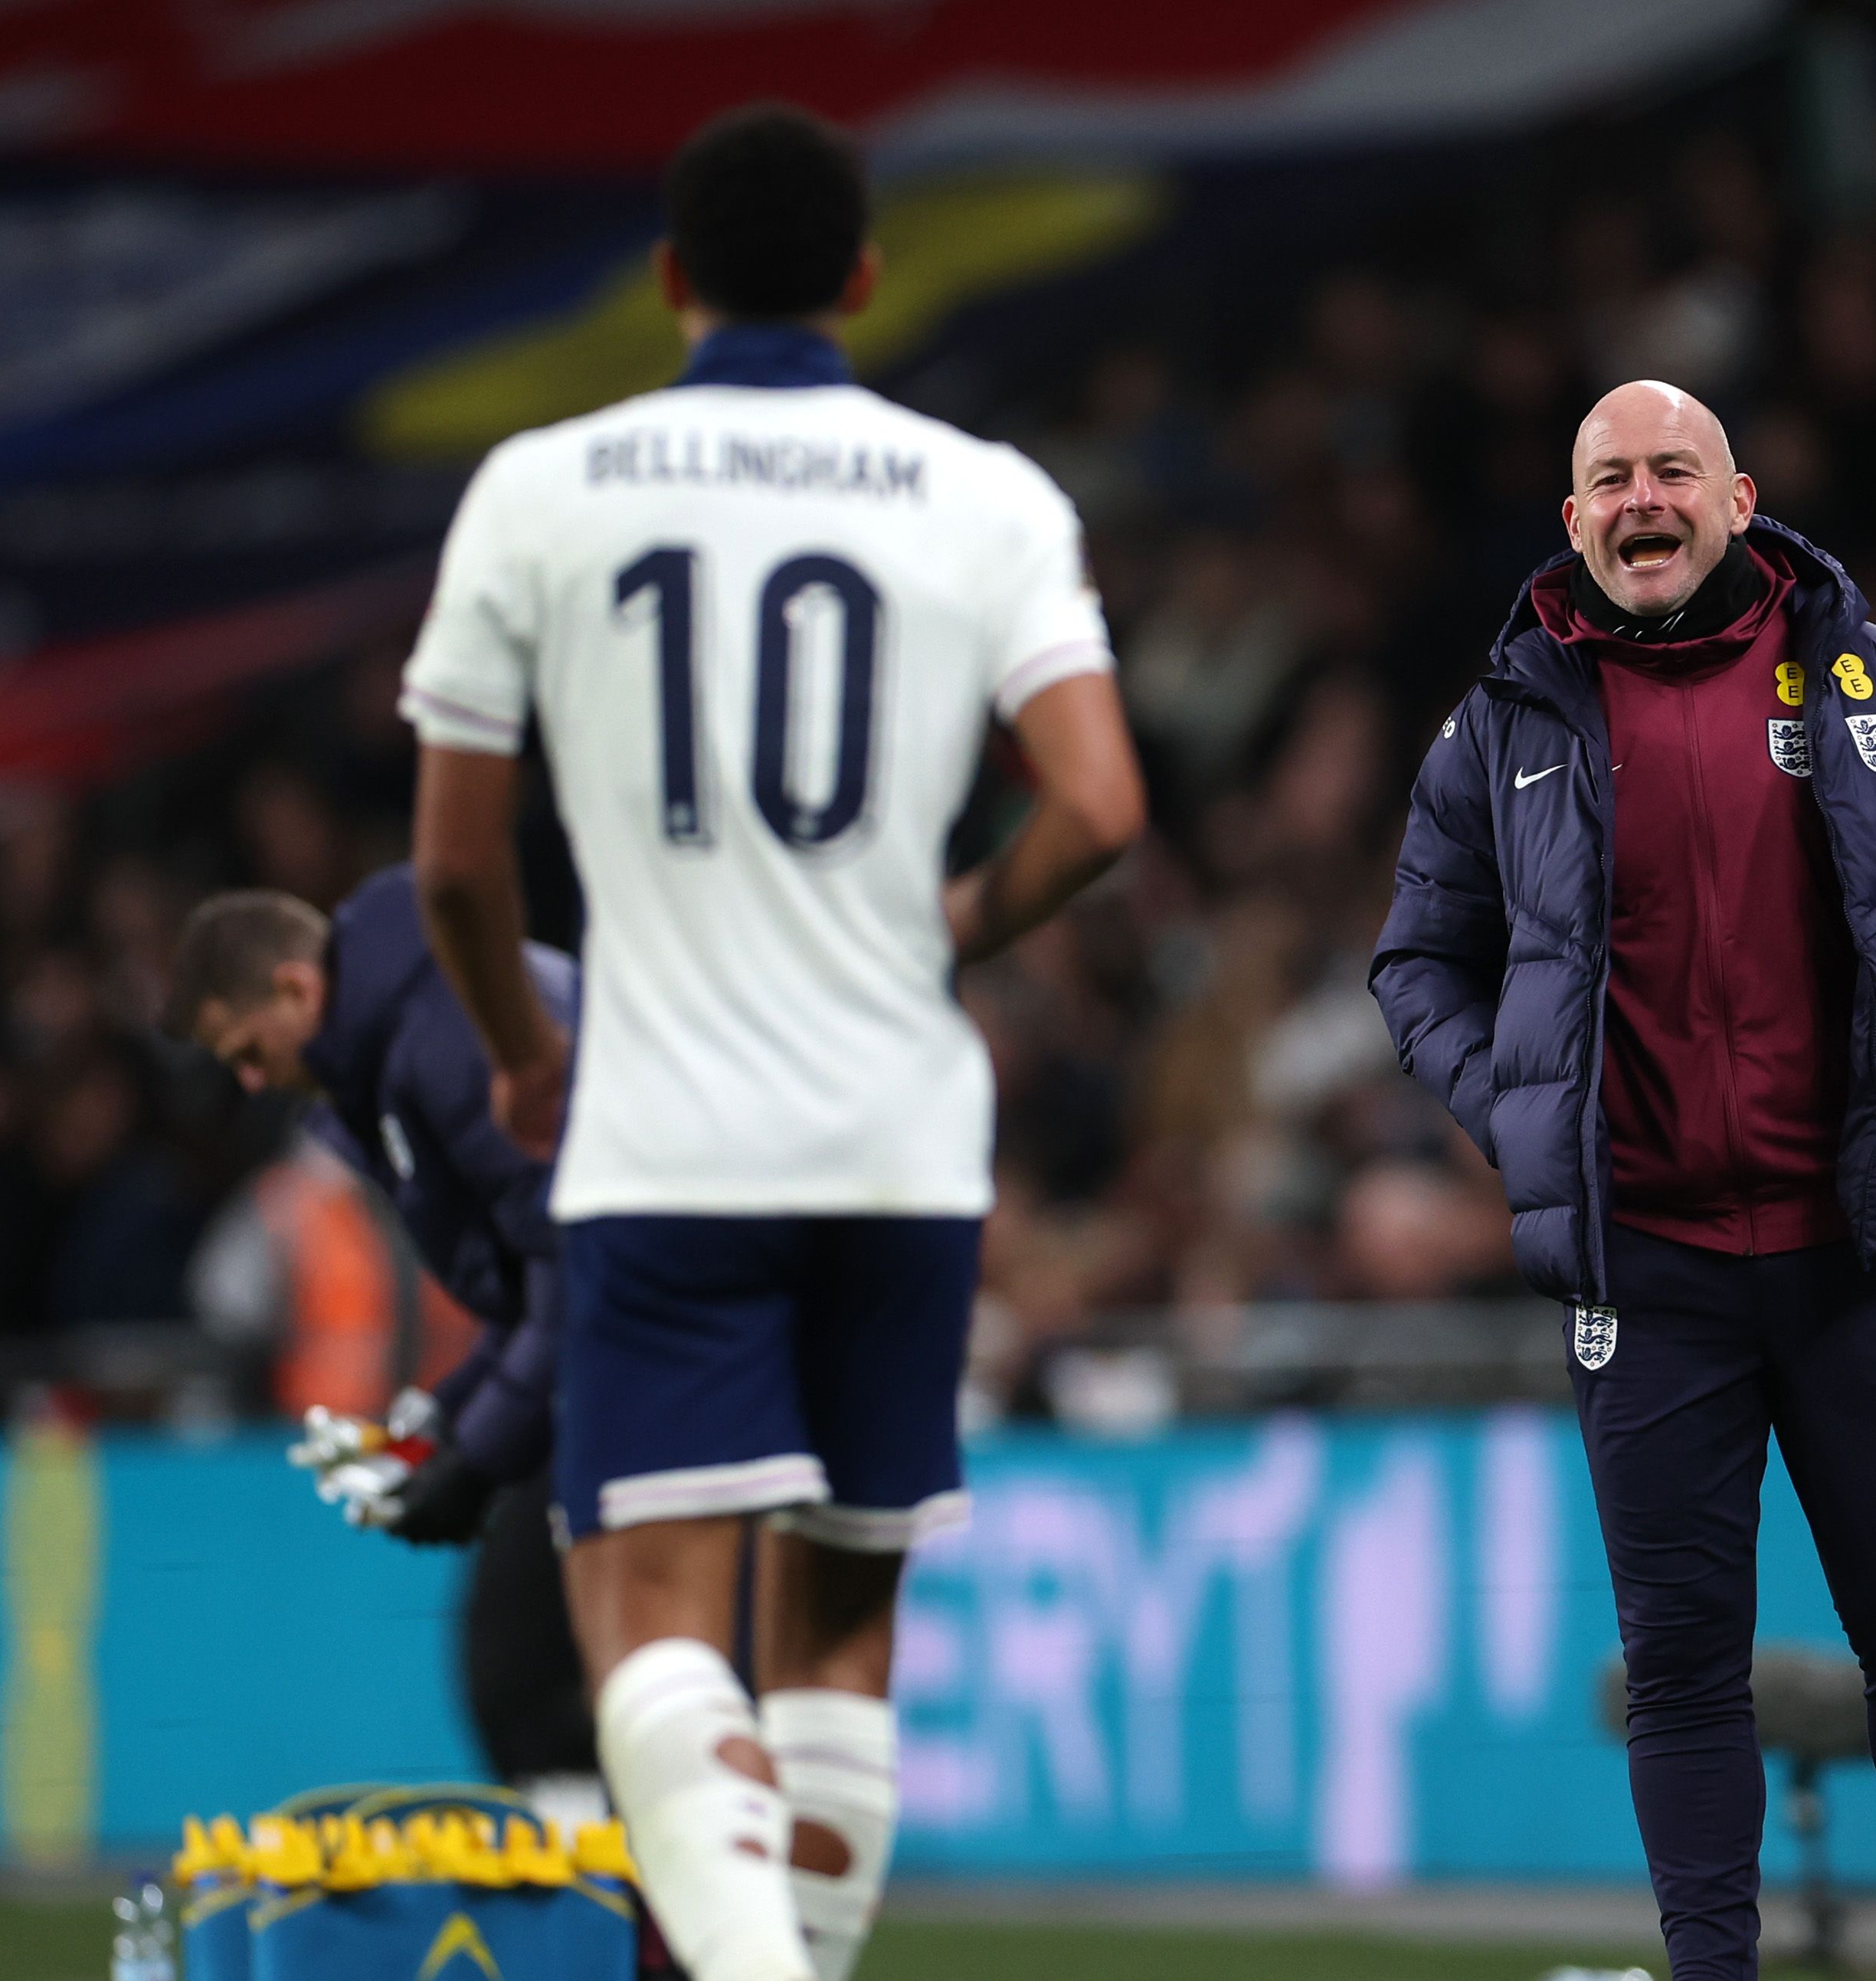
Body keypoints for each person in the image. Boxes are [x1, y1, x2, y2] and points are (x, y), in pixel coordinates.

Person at [396, 103, 1144, 1981]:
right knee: (836, 1632)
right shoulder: (985, 497)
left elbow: (457, 868)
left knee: (650, 1619)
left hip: (670, 1134)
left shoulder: (544, 487)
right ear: (867, 282)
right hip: (899, 1133)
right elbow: (1103, 806)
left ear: (667, 285)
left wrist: (515, 1051)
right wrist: (952, 922)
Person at [1371, 380, 1876, 1981]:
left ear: (1741, 498)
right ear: (1573, 521)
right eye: (1610, 480)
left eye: (1672, 470)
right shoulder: (1503, 723)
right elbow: (1418, 963)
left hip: (1853, 1250)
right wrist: (1523, 1117)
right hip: (1648, 1271)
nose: (1642, 501)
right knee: (1683, 1668)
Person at [162, 869, 596, 1823]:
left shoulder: (442, 1046)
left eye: (247, 1050)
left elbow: (580, 1272)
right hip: (647, 1344)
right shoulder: (414, 1040)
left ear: (296, 989)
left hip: (666, 1350)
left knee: (527, 1678)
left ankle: (629, 1933)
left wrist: (476, 1459)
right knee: (554, 1678)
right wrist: (433, 1430)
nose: (248, 1078)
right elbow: (545, 1289)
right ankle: (645, 1930)